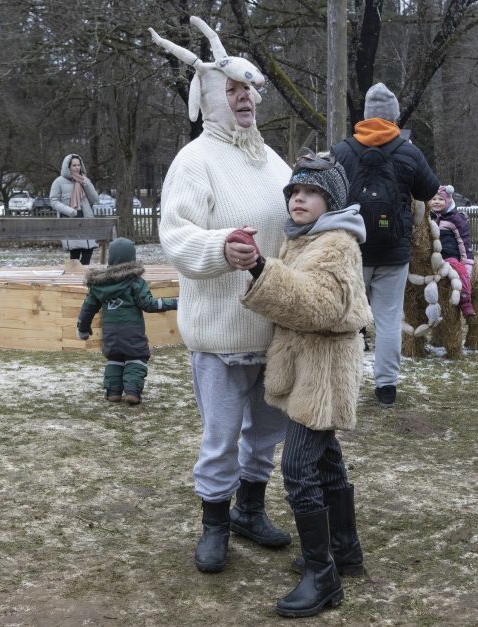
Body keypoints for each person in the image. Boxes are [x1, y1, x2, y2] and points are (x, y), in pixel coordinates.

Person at [150, 17, 293, 573]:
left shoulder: (271, 160)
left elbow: (294, 222)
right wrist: (219, 247)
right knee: (222, 437)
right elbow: (177, 236)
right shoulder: (194, 162)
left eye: (249, 90)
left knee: (265, 434)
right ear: (210, 97)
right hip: (219, 332)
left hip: (272, 326)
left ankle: (249, 511)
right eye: (233, 91)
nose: (245, 99)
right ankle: (214, 524)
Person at [234, 151, 372, 617]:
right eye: (294, 190)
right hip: (312, 368)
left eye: (311, 191)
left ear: (330, 199)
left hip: (324, 372)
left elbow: (317, 306)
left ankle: (323, 574)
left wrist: (260, 270)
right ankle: (344, 550)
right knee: (327, 461)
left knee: (297, 468)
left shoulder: (335, 244)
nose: (298, 198)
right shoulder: (308, 238)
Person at [332, 82, 439, 407]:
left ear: (365, 116)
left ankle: (343, 381)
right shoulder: (407, 150)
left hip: (353, 249)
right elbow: (428, 190)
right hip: (394, 253)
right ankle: (386, 386)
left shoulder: (343, 151)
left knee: (348, 318)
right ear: (393, 117)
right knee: (389, 319)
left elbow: (330, 196)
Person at [75, 237, 178, 405]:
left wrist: (83, 329)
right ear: (132, 258)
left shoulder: (99, 285)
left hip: (110, 333)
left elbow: (88, 309)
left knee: (114, 358)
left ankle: (113, 392)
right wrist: (174, 303)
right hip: (132, 332)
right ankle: (132, 391)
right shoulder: (136, 283)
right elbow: (149, 304)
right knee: (137, 357)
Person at [428, 184, 475, 317]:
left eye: (441, 199)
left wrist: (467, 262)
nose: (436, 202)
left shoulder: (455, 219)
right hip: (430, 258)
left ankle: (466, 300)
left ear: (448, 201)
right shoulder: (427, 219)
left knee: (460, 272)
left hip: (449, 257)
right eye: (434, 199)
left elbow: (463, 241)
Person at [50, 154, 99, 265]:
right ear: (68, 167)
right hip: (70, 221)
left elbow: (95, 199)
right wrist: (69, 210)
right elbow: (53, 201)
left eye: (79, 165)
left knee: (88, 250)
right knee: (75, 252)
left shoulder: (84, 180)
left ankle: (80, 274)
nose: (77, 167)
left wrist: (86, 184)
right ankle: (74, 275)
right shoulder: (59, 182)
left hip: (86, 220)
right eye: (74, 165)